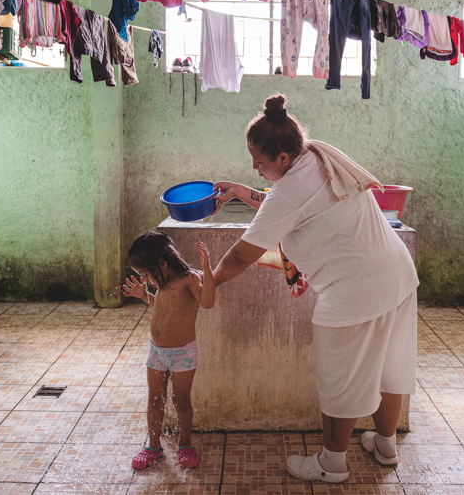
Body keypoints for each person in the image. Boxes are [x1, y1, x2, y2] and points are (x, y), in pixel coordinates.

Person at [211, 94, 419, 482]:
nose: (254, 167)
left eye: (259, 161)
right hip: (397, 274)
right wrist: (244, 191)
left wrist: (207, 281)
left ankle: (331, 464)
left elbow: (242, 254)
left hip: (354, 291)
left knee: (341, 376)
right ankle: (385, 445)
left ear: (283, 159)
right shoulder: (318, 156)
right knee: (389, 366)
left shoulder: (289, 190)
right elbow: (291, 204)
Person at [122, 231, 215, 470]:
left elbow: (207, 303)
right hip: (157, 352)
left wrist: (207, 270)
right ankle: (153, 446)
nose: (145, 279)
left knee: (180, 400)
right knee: (154, 400)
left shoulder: (189, 280)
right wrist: (145, 296)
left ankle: (185, 444)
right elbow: (161, 309)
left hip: (182, 353)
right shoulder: (161, 284)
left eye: (145, 274)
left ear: (162, 264)